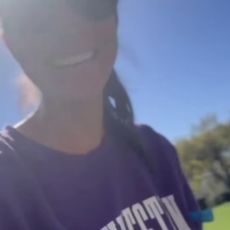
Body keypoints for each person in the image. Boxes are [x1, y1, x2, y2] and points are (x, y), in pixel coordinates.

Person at [0, 0, 201, 229]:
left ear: (115, 19)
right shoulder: (7, 183)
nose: (70, 29)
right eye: (37, 14)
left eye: (92, 4)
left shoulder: (156, 150)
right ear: (11, 43)